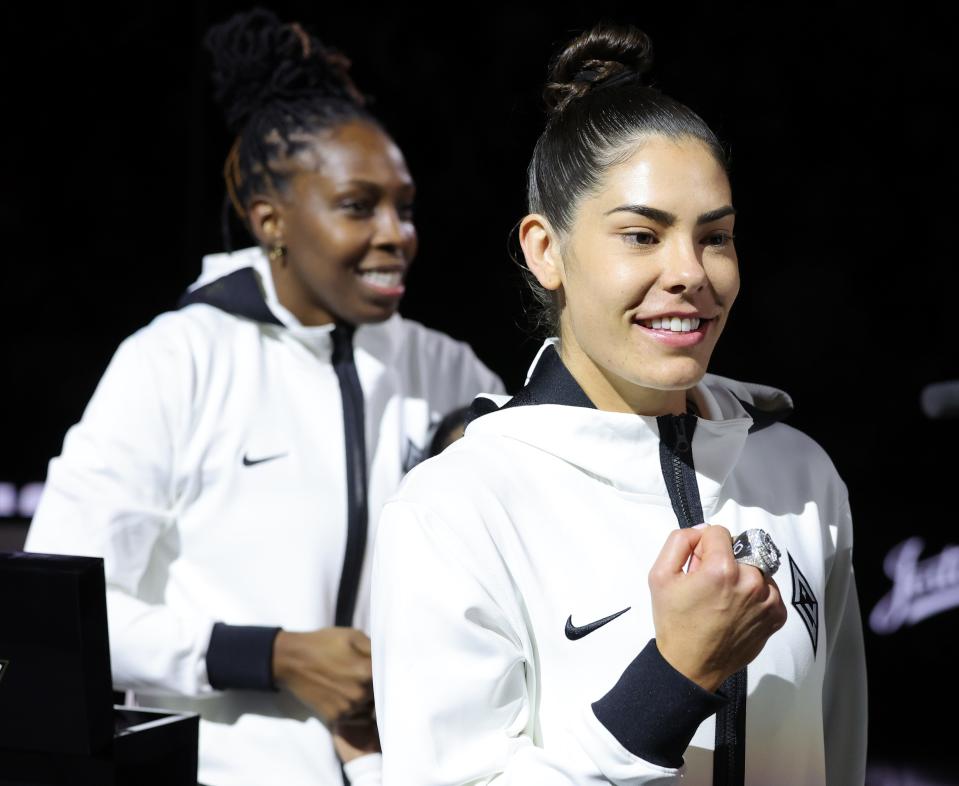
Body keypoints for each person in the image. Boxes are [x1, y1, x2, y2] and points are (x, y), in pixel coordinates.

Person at [370, 21, 867, 786]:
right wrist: (671, 681)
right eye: (641, 235)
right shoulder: (456, 505)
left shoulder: (799, 476)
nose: (688, 273)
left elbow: (838, 754)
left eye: (716, 237)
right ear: (545, 250)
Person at [25, 9, 502, 786]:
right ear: (271, 220)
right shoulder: (176, 361)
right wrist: (267, 654)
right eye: (359, 205)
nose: (396, 233)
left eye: (405, 206)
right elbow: (61, 616)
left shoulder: (444, 368)